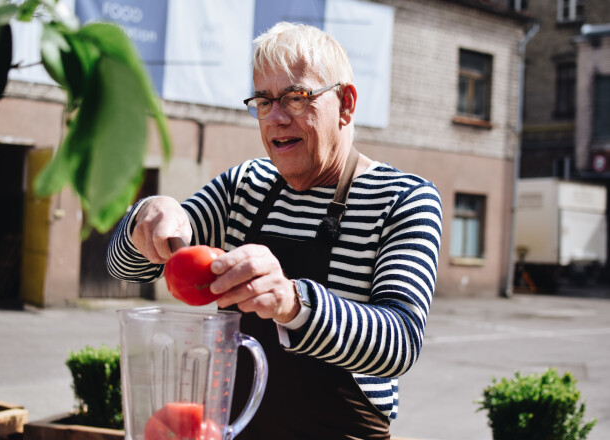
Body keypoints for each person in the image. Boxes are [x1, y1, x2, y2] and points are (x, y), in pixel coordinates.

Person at [107, 21, 442, 440]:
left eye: (297, 98)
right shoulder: (243, 186)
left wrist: (292, 301)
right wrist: (147, 217)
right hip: (235, 429)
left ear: (346, 104)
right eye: (264, 102)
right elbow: (128, 268)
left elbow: (400, 343)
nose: (277, 118)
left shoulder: (403, 199)